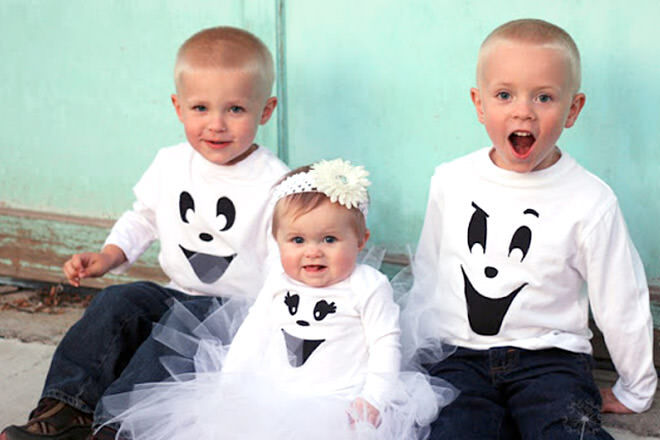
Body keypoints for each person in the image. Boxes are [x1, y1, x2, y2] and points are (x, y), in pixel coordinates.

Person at [0, 26, 289, 440]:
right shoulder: (171, 163)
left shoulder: (274, 183)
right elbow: (144, 217)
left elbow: (286, 264)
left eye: (236, 110)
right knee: (119, 301)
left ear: (265, 110)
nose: (217, 124)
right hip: (177, 294)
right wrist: (109, 255)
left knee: (176, 335)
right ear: (178, 107)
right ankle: (66, 410)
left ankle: (119, 425)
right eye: (201, 108)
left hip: (235, 313)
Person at [400, 18, 657, 439]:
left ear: (573, 109)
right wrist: (416, 354)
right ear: (479, 103)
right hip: (460, 355)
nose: (523, 110)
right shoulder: (451, 180)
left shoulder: (590, 200)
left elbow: (621, 299)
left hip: (551, 360)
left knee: (567, 429)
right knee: (453, 429)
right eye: (504, 95)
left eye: (544, 97)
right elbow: (430, 270)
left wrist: (637, 387)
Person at [98, 159, 456, 440]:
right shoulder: (278, 281)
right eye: (297, 240)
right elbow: (253, 333)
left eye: (329, 240)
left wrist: (374, 398)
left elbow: (385, 344)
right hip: (272, 393)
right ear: (278, 241)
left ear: (360, 241)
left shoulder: (368, 286)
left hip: (340, 402)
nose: (312, 252)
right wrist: (229, 386)